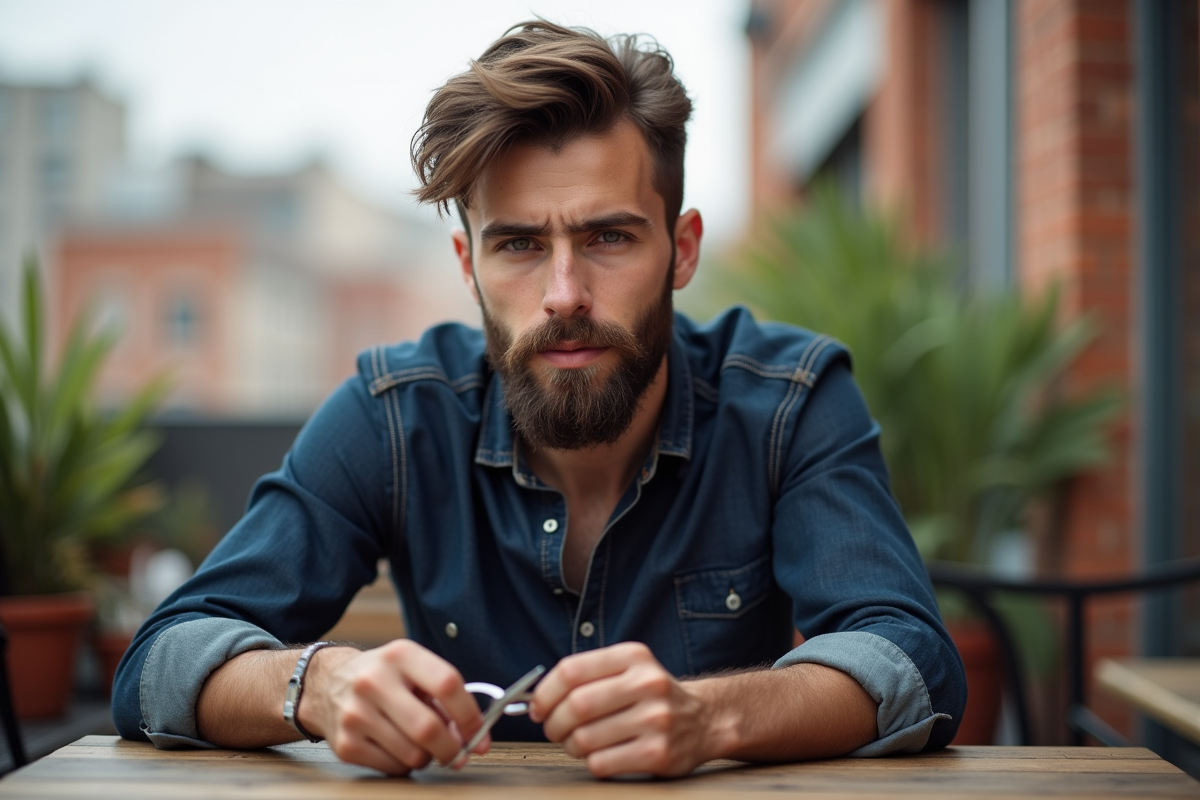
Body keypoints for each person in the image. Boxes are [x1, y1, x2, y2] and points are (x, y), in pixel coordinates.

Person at [113, 20, 966, 778]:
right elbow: (158, 663)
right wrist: (317, 685)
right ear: (467, 265)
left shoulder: (789, 402)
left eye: (609, 236)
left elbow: (913, 661)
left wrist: (710, 718)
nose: (563, 294)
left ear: (682, 249)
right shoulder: (394, 415)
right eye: (519, 244)